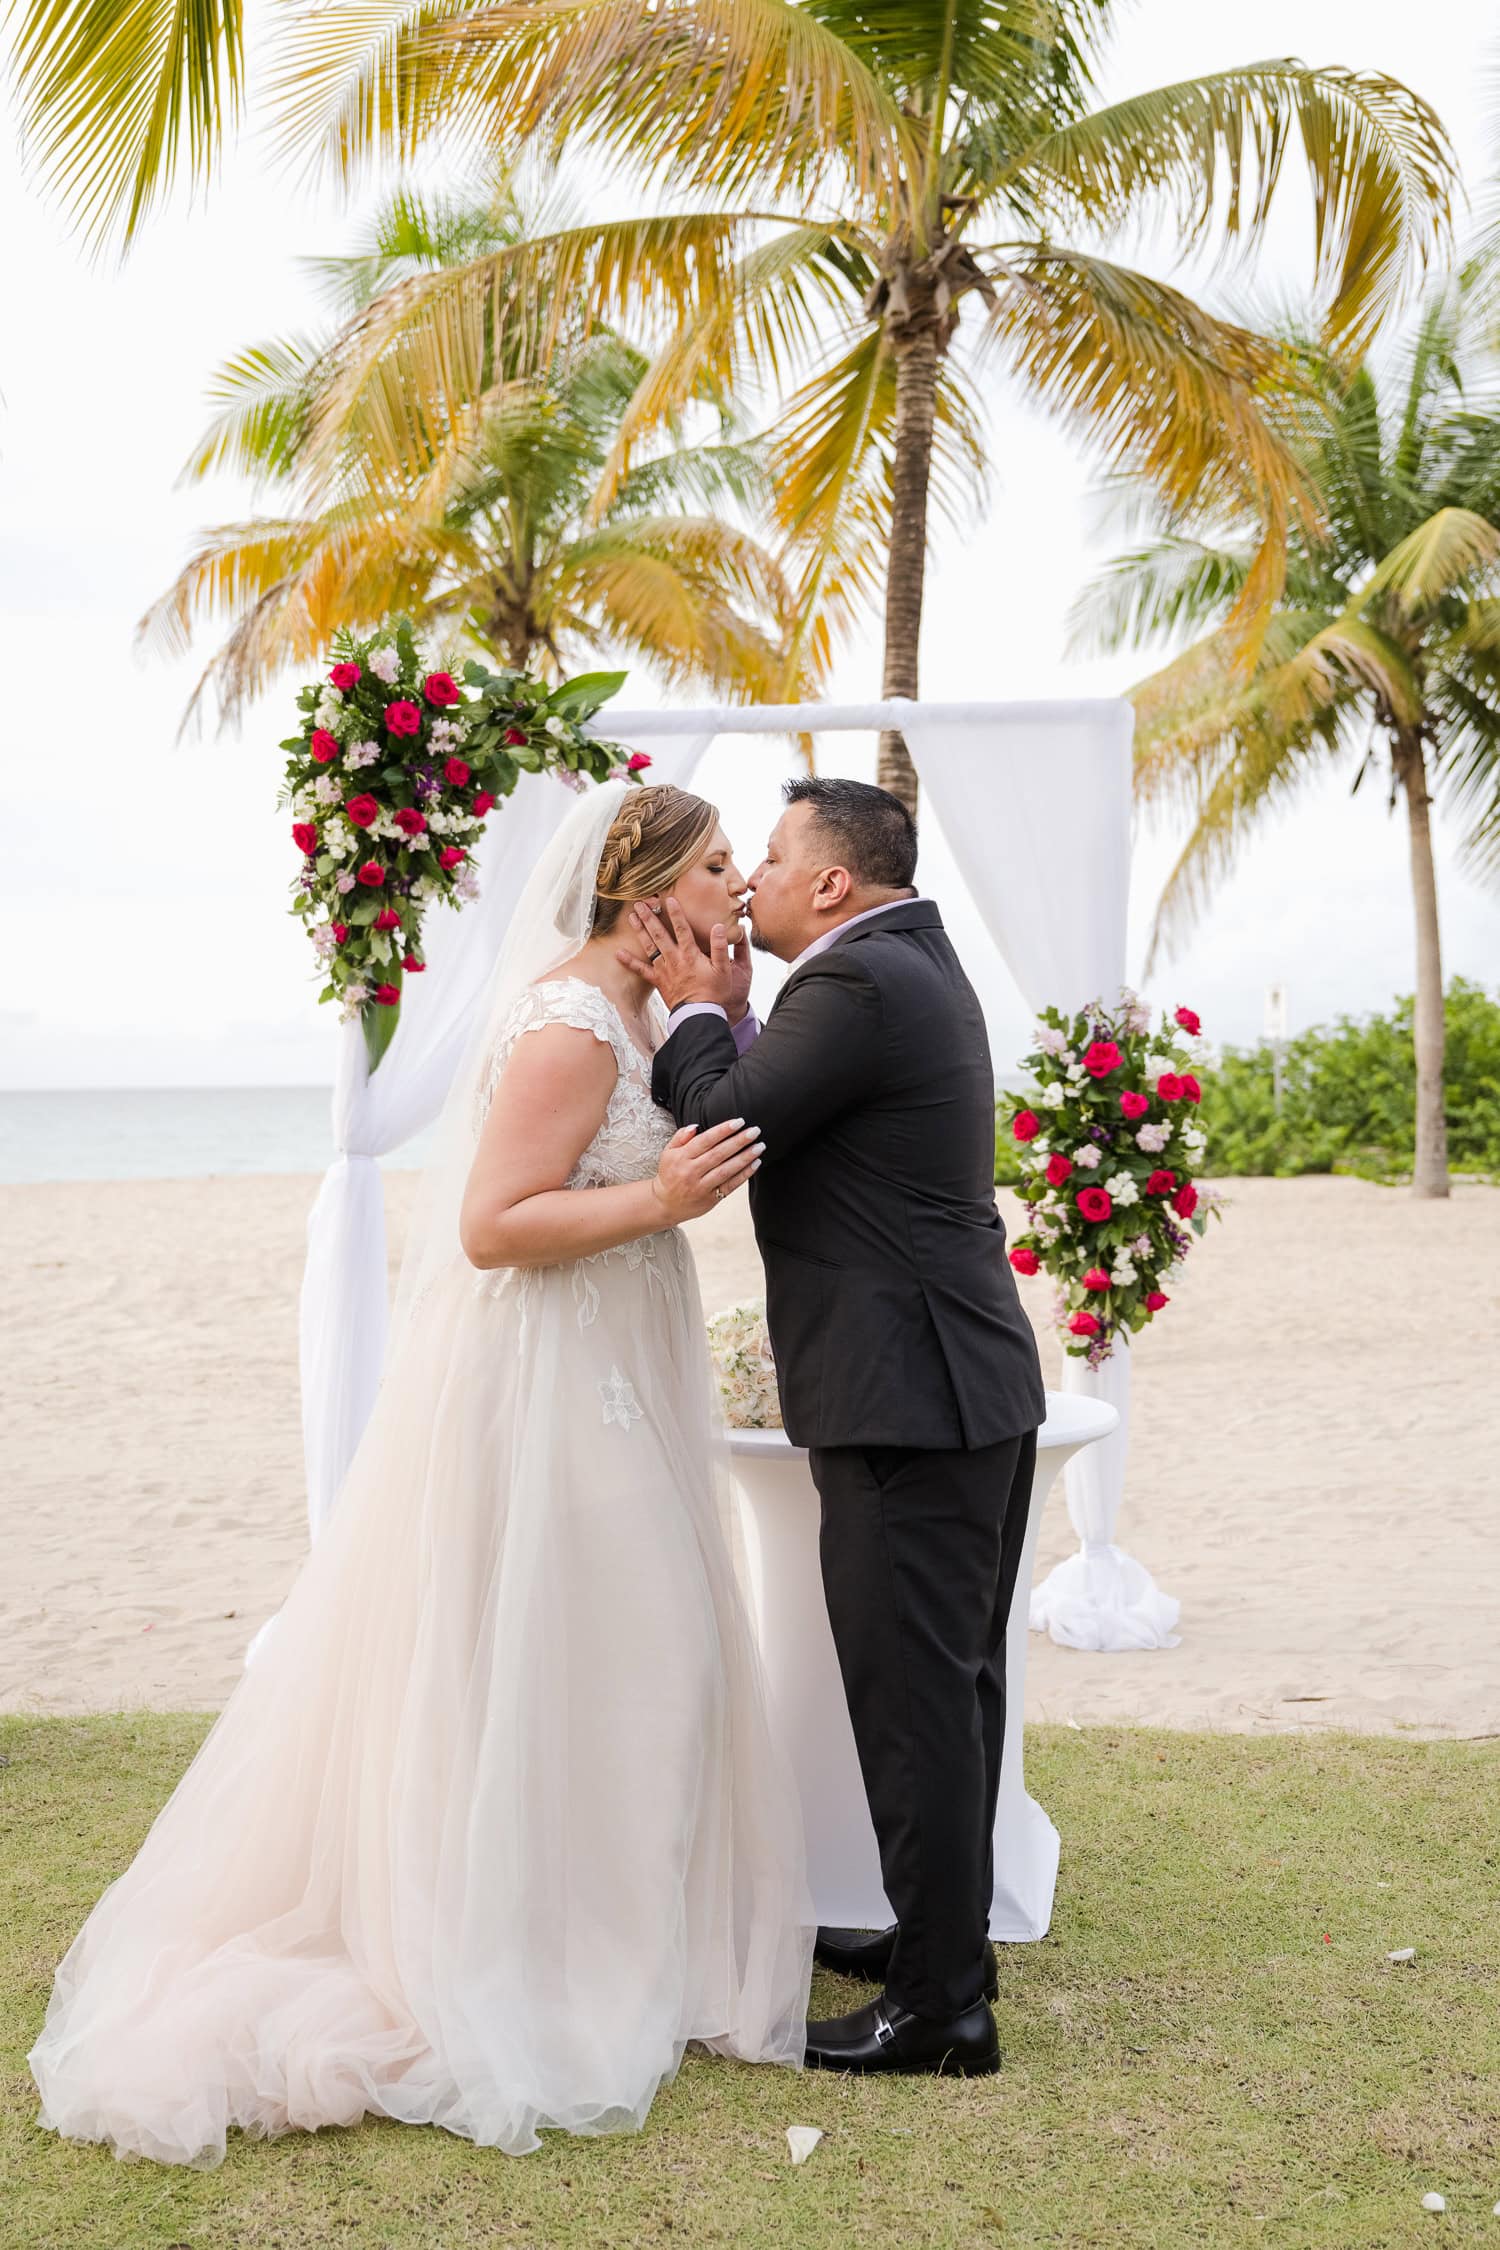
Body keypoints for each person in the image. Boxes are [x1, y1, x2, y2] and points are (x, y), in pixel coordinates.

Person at [28, 780, 812, 2168]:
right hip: (562, 1378)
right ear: (646, 894)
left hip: (625, 1351)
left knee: (645, 1652)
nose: (739, 886)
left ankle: (627, 1946)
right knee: (610, 1649)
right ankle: (544, 1960)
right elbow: (492, 1222)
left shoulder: (652, 1010)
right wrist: (658, 1201)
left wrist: (727, 1001)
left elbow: (715, 1100)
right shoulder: (570, 1025)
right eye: (719, 867)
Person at [622, 775, 1046, 2078]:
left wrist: (698, 1001)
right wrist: (739, 1010)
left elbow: (720, 1113)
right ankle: (941, 1946)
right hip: (958, 1382)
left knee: (919, 1697)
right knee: (954, 1690)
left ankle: (939, 2012)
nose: (744, 876)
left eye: (770, 853)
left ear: (831, 883)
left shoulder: (860, 985)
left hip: (909, 1397)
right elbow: (788, 1095)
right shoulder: (901, 965)